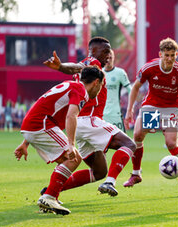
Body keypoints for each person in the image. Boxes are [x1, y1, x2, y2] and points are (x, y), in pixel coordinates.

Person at [43, 37, 136, 198]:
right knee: (129, 144)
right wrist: (61, 66)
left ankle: (52, 190)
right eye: (105, 51)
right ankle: (110, 182)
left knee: (99, 171)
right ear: (93, 51)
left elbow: (77, 69)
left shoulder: (91, 70)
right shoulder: (91, 62)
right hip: (89, 120)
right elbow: (76, 67)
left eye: (109, 51)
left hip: (80, 125)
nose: (108, 55)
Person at [14, 66, 105, 215]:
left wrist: (26, 142)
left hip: (34, 124)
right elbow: (71, 116)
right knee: (73, 158)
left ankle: (51, 196)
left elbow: (43, 105)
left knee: (66, 159)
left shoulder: (70, 86)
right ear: (96, 82)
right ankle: (48, 197)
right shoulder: (80, 90)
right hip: (41, 125)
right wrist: (71, 144)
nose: (100, 90)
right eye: (101, 86)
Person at [124, 37, 178, 197]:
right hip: (151, 105)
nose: (170, 59)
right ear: (160, 54)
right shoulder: (150, 68)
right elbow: (135, 87)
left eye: (173, 55)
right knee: (137, 135)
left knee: (171, 143)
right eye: (167, 55)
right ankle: (136, 174)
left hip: (171, 108)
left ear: (176, 55)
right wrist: (129, 110)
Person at [103, 49, 132, 132]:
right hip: (102, 115)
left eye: (110, 57)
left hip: (115, 114)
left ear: (114, 58)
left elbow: (130, 90)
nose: (108, 60)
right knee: (103, 142)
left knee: (122, 142)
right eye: (106, 58)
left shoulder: (120, 73)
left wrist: (130, 108)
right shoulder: (99, 73)